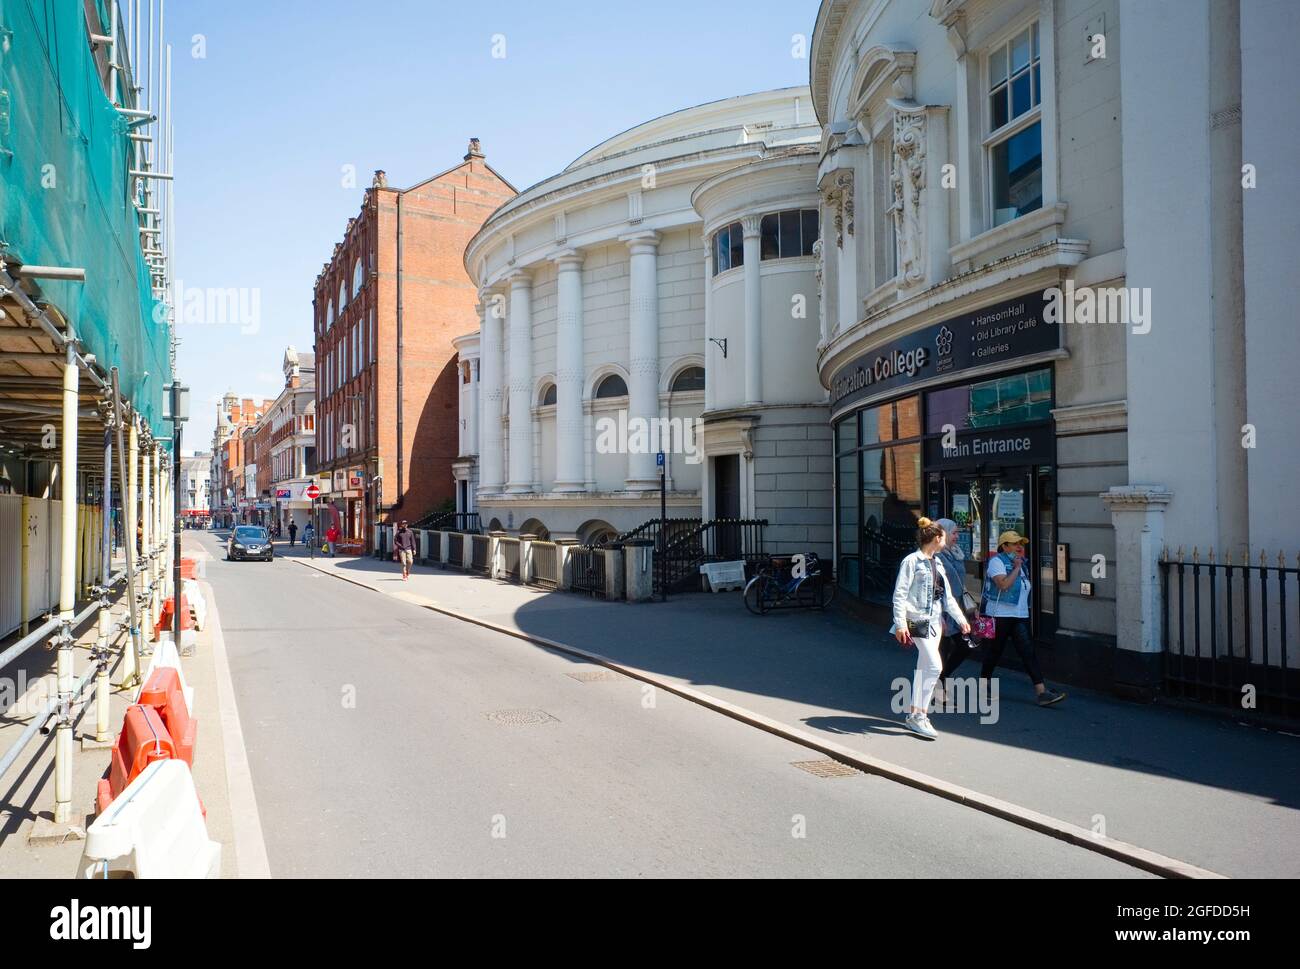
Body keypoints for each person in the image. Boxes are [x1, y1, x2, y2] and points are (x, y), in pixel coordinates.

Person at [892, 517, 970, 740]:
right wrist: (900, 623)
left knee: (924, 667)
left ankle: (914, 715)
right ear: (937, 538)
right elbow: (899, 594)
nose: (947, 539)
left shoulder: (937, 562)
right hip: (916, 619)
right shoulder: (911, 561)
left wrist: (960, 619)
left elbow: (946, 596)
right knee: (935, 666)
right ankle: (921, 716)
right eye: (945, 536)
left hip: (935, 620)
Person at [980, 530, 1066, 707]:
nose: (1020, 547)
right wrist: (1017, 568)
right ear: (1004, 546)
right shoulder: (997, 562)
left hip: (1019, 615)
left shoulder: (1021, 564)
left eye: (1021, 543)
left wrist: (1019, 566)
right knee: (995, 651)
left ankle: (1041, 692)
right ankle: (983, 684)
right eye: (1015, 543)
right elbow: (1003, 585)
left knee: (1028, 652)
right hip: (999, 615)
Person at [935, 517, 978, 696]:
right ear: (943, 533)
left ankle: (941, 680)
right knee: (941, 649)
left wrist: (971, 604)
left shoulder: (956, 553)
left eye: (957, 532)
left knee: (965, 647)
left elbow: (959, 582)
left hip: (957, 607)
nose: (957, 536)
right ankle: (938, 686)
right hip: (942, 609)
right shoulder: (936, 556)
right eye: (954, 533)